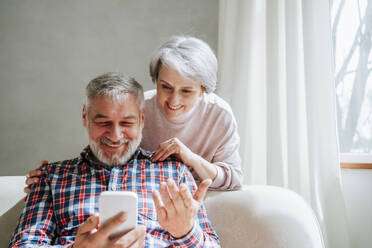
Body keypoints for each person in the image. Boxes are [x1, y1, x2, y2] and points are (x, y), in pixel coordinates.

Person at [9, 73, 220, 248]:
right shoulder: (52, 177)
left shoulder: (175, 172)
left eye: (126, 123)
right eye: (104, 122)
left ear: (142, 119)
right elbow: (24, 244)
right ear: (85, 117)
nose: (115, 135)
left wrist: (186, 232)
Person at [25, 35, 243, 191]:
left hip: (188, 196)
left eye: (186, 91)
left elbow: (234, 179)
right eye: (165, 87)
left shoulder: (219, 115)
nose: (173, 100)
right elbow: (108, 146)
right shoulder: (139, 107)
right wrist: (51, 177)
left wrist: (190, 158)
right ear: (155, 80)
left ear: (203, 90)